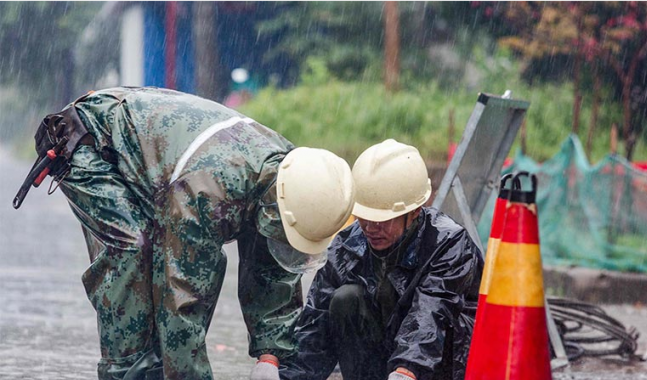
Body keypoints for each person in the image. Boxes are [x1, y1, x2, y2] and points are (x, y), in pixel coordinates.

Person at [14, 87, 355, 380]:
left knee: (173, 275)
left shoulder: (296, 177)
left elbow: (270, 270)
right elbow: (182, 300)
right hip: (86, 141)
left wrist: (271, 357)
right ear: (278, 206)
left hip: (160, 166)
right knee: (134, 251)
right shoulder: (207, 192)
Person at [280, 139, 485, 380]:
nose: (369, 228)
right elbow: (315, 326)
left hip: (445, 360)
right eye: (363, 216)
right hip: (388, 353)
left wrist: (406, 371)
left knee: (445, 324)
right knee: (346, 299)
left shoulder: (448, 243)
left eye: (381, 220)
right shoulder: (348, 244)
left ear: (414, 212)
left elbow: (430, 313)